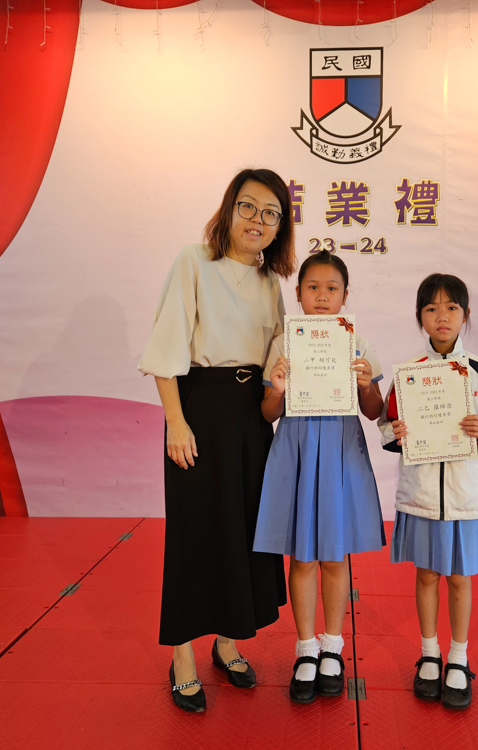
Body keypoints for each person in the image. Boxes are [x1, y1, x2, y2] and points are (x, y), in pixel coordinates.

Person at [137, 168, 296, 713]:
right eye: (248, 207)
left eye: (271, 213)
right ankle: (182, 655)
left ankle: (227, 643)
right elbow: (166, 347)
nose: (258, 220)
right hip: (199, 410)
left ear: (280, 227)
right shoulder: (194, 261)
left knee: (244, 531)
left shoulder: (272, 283)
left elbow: (280, 359)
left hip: (253, 417)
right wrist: (175, 423)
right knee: (194, 533)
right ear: (229, 209)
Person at [378, 273, 478, 710]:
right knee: (426, 575)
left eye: (451, 308)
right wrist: (398, 432)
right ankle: (429, 654)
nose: (442, 316)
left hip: (464, 498)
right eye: (432, 308)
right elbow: (385, 427)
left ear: (466, 315)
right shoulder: (409, 375)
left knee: (459, 577)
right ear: (420, 317)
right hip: (421, 496)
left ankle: (458, 656)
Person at [254, 251, 386, 703]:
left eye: (332, 288)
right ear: (298, 294)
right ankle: (306, 648)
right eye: (313, 287)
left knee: (334, 554)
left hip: (340, 451)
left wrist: (366, 385)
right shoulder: (284, 344)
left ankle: (333, 646)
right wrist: (277, 390)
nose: (322, 296)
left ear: (345, 296)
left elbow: (374, 410)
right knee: (302, 556)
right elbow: (268, 412)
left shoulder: (357, 344)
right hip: (296, 449)